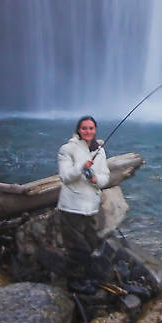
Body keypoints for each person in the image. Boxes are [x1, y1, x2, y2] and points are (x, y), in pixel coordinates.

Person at [56, 116, 112, 283]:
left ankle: (87, 279)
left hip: (91, 207)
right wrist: (81, 167)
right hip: (71, 206)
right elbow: (65, 177)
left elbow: (106, 176)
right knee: (77, 248)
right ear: (78, 130)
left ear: (95, 130)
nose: (88, 131)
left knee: (92, 244)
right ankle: (74, 283)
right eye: (84, 128)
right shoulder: (67, 149)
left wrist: (97, 180)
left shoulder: (100, 151)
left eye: (91, 128)